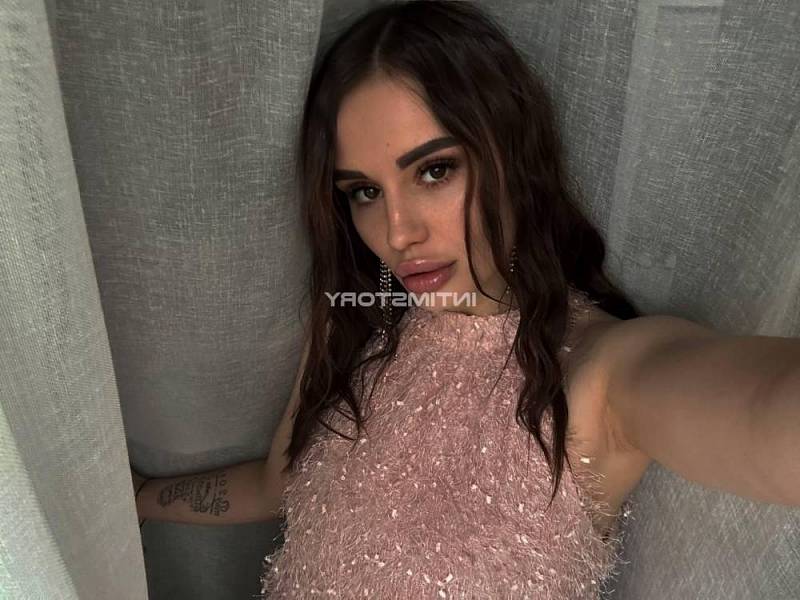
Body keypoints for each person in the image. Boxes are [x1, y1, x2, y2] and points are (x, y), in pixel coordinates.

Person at [131, 1, 800, 598]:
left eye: (434, 170)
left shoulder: (598, 375)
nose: (397, 232)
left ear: (512, 155)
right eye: (364, 191)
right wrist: (138, 498)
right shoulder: (355, 323)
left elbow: (765, 414)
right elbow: (277, 486)